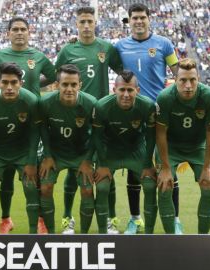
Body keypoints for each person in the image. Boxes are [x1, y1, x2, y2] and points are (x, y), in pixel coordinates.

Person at [0, 17, 55, 234]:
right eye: (15, 29)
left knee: (33, 178)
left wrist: (34, 86)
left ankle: (38, 220)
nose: (19, 33)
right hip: (3, 129)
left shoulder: (38, 56)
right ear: (8, 33)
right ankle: (6, 219)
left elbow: (54, 76)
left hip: (29, 121)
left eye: (23, 29)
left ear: (29, 32)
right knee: (5, 180)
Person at [54, 6, 123, 234]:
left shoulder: (106, 48)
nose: (85, 25)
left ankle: (112, 219)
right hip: (75, 119)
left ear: (95, 23)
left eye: (89, 21)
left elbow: (123, 74)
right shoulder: (67, 50)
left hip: (102, 118)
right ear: (76, 24)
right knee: (75, 170)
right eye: (82, 21)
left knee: (106, 170)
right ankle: (67, 218)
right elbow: (57, 78)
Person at [114, 3, 180, 234]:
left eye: (143, 17)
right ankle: (135, 218)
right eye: (135, 18)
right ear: (129, 21)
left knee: (166, 165)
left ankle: (176, 218)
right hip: (133, 115)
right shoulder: (120, 46)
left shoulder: (164, 44)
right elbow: (102, 61)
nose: (139, 21)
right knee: (135, 168)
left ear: (149, 19)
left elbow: (178, 72)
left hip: (160, 114)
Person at [155, 58, 210, 234]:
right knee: (165, 185)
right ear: (175, 80)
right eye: (183, 80)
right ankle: (170, 238)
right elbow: (160, 133)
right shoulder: (165, 98)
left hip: (198, 147)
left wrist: (207, 167)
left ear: (198, 79)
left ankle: (202, 240)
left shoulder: (209, 96)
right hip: (171, 147)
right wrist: (166, 168)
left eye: (193, 80)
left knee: (209, 185)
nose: (188, 85)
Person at [0, 62, 40, 234]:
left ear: (21, 83)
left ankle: (34, 234)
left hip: (22, 152)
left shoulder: (30, 101)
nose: (9, 87)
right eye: (4, 82)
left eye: (14, 82)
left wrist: (30, 162)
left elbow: (35, 134)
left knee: (30, 188)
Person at [92, 70, 156, 234]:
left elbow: (151, 137)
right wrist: (102, 165)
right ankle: (102, 233)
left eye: (130, 90)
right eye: (122, 90)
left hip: (135, 150)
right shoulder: (101, 106)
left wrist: (148, 164)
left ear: (138, 91)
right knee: (102, 187)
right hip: (110, 150)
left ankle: (148, 232)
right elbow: (97, 138)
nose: (126, 94)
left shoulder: (147, 105)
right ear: (114, 90)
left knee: (149, 185)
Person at [38, 64, 96, 234]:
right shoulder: (46, 102)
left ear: (80, 85)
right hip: (55, 153)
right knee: (46, 188)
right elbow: (42, 129)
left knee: (87, 190)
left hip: (81, 154)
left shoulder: (91, 103)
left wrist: (88, 160)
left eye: (73, 84)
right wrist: (47, 155)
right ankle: (51, 233)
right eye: (65, 84)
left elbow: (97, 135)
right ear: (56, 85)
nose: (69, 89)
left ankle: (84, 235)